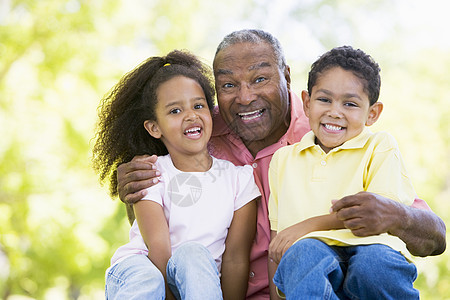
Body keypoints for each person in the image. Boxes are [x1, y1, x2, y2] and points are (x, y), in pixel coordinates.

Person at [115, 30, 446, 299]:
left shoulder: (328, 133)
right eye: (228, 85)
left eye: (260, 79)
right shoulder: (197, 134)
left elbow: (435, 237)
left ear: (286, 77)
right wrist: (134, 184)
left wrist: (397, 215)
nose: (245, 97)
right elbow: (154, 220)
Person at [92, 50, 260, 299]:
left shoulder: (239, 180)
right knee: (148, 277)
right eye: (175, 111)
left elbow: (235, 259)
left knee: (193, 254)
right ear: (154, 127)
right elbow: (157, 249)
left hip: (197, 280)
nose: (191, 115)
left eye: (198, 105)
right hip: (142, 268)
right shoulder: (149, 172)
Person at [268, 46, 422, 299]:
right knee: (305, 252)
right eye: (324, 100)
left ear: (372, 113)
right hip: (310, 260)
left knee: (373, 263)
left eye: (350, 104)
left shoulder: (380, 146)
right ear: (307, 103)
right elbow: (279, 242)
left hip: (371, 249)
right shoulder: (283, 159)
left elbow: (371, 210)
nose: (334, 112)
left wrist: (307, 227)